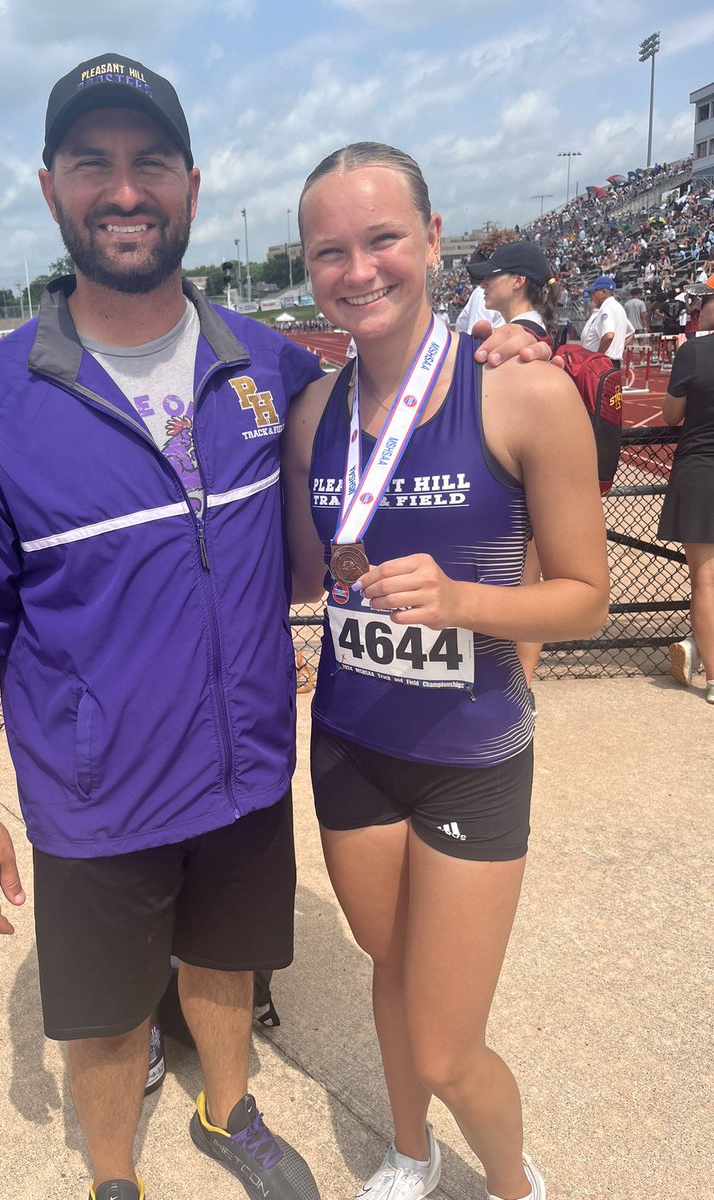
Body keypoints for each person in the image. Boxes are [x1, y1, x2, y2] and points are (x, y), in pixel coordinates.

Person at [0, 57, 545, 1200]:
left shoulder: (274, 365)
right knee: (105, 1022)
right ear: (50, 187)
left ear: (192, 186)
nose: (124, 189)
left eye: (149, 161)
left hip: (247, 765)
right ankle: (115, 1176)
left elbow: (399, 378)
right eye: (92, 164)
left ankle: (228, 1106)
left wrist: (503, 343)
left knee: (222, 961)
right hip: (96, 788)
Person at [282, 142, 609, 1200]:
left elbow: (588, 597)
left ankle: (515, 1183)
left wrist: (464, 602)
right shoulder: (312, 419)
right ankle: (411, 1152)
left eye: (382, 238)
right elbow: (304, 571)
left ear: (433, 241)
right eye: (331, 250)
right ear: (309, 264)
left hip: (470, 753)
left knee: (445, 1047)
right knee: (390, 968)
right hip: (351, 747)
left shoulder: (523, 393)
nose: (358, 269)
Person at [466, 241, 559, 693]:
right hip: (523, 477)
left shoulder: (523, 343)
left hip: (518, 480)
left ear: (519, 281)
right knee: (526, 583)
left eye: (493, 274)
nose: (484, 281)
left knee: (525, 588)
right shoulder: (527, 333)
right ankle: (520, 685)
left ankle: (519, 688)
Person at [658, 276, 714, 705]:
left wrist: (684, 357)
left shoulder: (694, 351)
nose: (697, 309)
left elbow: (672, 413)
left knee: (705, 580)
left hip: (701, 471)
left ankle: (712, 676)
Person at [580, 276, 632, 368]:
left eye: (593, 292)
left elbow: (609, 336)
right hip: (610, 362)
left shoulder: (607, 309)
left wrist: (598, 356)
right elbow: (631, 332)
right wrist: (617, 347)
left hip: (602, 363)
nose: (592, 296)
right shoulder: (617, 308)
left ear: (603, 292)